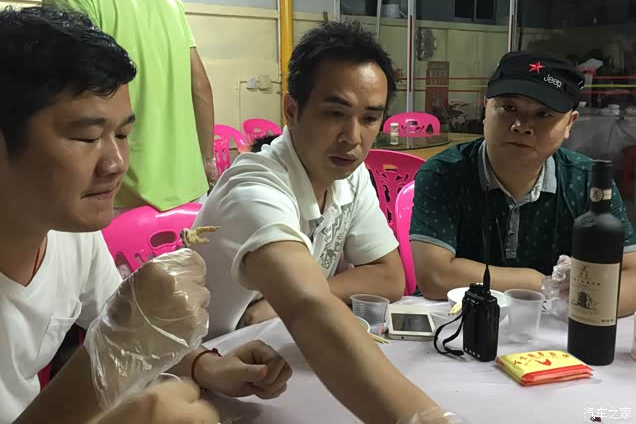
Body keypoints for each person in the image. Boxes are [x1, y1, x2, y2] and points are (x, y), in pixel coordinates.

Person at [0, 7, 290, 424]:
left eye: (122, 134)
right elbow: (120, 344)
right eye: (87, 137)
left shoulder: (66, 226)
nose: (117, 163)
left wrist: (203, 364)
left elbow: (126, 329)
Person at [193, 21, 443, 424]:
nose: (353, 137)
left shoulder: (350, 177)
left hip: (272, 358)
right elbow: (309, 309)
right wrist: (425, 419)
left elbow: (389, 277)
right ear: (292, 110)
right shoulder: (253, 187)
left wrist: (283, 302)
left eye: (369, 118)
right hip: (204, 373)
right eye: (335, 113)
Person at [6, 0, 217, 211]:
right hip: (190, 193)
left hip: (121, 195)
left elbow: (75, 98)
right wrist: (207, 160)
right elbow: (200, 86)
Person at [410, 51, 636, 317]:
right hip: (457, 326)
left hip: (553, 333)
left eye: (543, 114)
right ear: (486, 108)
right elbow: (435, 277)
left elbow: (631, 277)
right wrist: (541, 283)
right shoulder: (444, 173)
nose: (521, 126)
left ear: (569, 124)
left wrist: (578, 298)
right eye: (509, 107)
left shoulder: (587, 181)